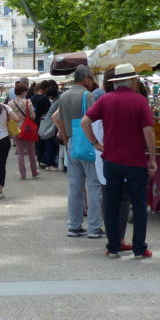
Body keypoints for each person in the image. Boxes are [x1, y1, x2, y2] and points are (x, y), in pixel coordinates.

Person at [83, 63, 156, 259]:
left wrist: (95, 143)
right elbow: (148, 131)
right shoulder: (140, 101)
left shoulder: (106, 99)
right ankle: (139, 248)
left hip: (111, 160)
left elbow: (85, 121)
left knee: (111, 202)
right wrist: (153, 159)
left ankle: (113, 247)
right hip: (135, 161)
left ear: (115, 82)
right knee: (139, 205)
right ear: (132, 81)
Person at [52, 65, 103, 238]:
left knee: (75, 187)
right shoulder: (87, 96)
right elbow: (92, 122)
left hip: (72, 142)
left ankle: (74, 225)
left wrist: (66, 141)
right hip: (88, 143)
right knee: (94, 186)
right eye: (91, 78)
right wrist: (96, 142)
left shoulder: (63, 96)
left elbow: (57, 119)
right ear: (86, 78)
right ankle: (94, 227)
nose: (92, 82)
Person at [10, 82, 40, 180]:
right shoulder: (28, 102)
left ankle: (23, 174)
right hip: (28, 129)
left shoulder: (11, 103)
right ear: (23, 92)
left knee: (20, 152)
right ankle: (34, 172)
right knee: (31, 151)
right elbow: (33, 116)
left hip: (16, 129)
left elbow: (9, 117)